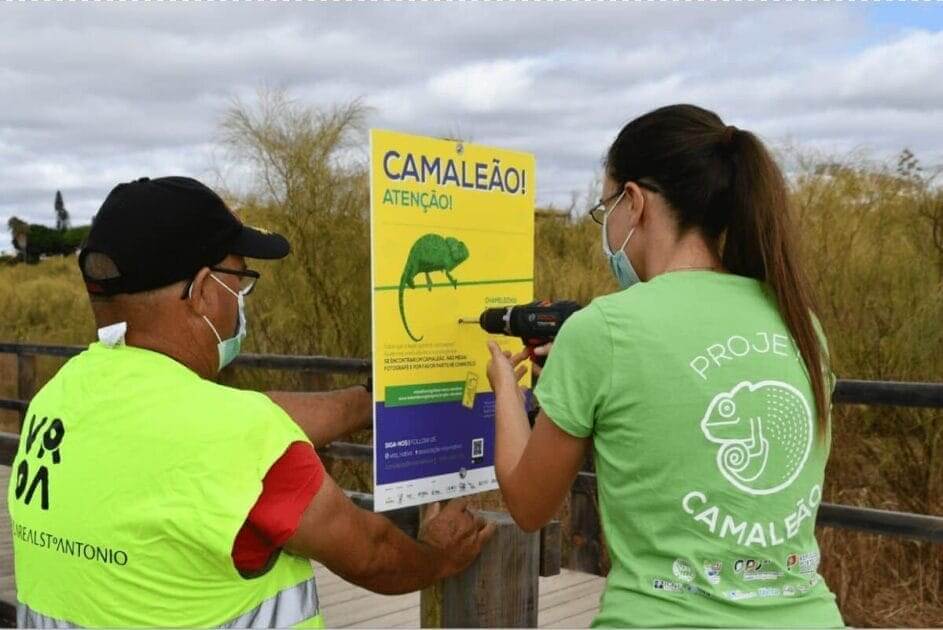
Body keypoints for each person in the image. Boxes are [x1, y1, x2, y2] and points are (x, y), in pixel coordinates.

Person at [7, 176, 494, 628]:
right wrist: (440, 556)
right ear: (201, 291)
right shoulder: (235, 434)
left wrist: (372, 401)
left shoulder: (62, 395)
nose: (241, 297)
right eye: (238, 281)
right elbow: (371, 553)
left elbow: (241, 420)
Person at [486, 105, 843, 627]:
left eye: (605, 208)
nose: (606, 227)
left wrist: (504, 388)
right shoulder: (801, 323)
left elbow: (527, 504)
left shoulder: (603, 329)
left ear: (634, 201)